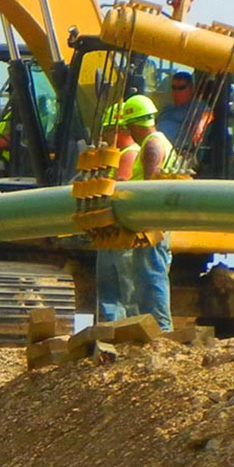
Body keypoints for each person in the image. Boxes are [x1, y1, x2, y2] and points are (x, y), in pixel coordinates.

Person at [120, 94, 174, 331]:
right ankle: (153, 328)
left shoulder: (152, 144)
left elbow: (151, 184)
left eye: (128, 126)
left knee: (151, 276)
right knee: (148, 276)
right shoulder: (160, 140)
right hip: (152, 221)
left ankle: (160, 330)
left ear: (134, 124)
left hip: (150, 222)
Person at [96, 112, 140, 322]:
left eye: (107, 131)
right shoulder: (121, 153)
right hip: (110, 231)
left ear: (120, 131)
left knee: (127, 290)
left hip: (123, 233)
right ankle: (111, 333)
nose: (104, 137)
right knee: (111, 292)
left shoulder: (130, 154)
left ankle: (131, 330)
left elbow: (118, 187)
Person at [156, 71, 211, 145]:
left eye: (181, 88)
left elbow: (209, 114)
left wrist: (200, 125)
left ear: (192, 89)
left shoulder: (196, 105)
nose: (177, 92)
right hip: (153, 146)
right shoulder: (167, 108)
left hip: (178, 151)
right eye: (174, 88)